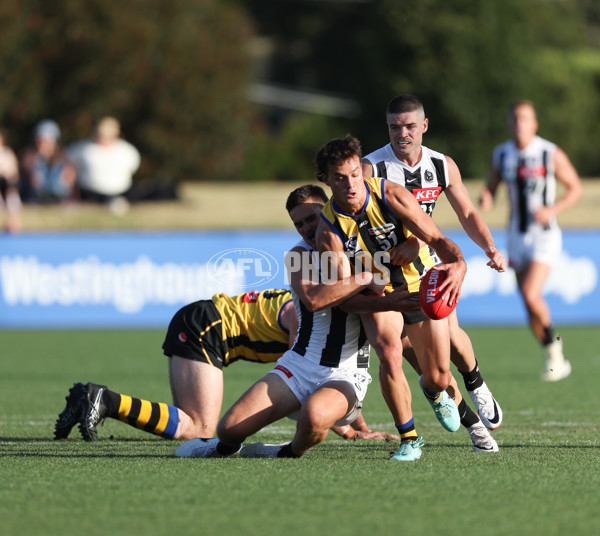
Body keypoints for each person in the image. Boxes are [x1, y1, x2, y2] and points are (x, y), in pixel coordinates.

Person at [175, 184, 420, 460]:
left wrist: (413, 245)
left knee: (314, 416)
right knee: (229, 429)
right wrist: (364, 278)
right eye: (298, 223)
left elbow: (418, 235)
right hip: (298, 366)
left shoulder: (360, 247)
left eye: (312, 218)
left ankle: (286, 452)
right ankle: (221, 447)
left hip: (346, 374)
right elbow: (315, 299)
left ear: (328, 211)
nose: (306, 228)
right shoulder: (298, 255)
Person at [312, 135, 494, 461]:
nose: (351, 184)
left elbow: (437, 238)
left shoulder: (390, 193)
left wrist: (460, 262)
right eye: (340, 178)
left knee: (438, 376)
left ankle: (433, 390)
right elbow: (344, 300)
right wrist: (388, 302)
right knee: (389, 349)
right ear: (326, 180)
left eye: (355, 173)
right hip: (378, 296)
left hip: (420, 285)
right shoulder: (328, 231)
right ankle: (409, 438)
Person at [55, 288, 396, 442]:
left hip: (204, 321)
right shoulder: (304, 314)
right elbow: (309, 383)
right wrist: (348, 428)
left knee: (198, 426)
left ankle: (93, 398)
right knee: (201, 430)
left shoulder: (317, 312)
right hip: (205, 328)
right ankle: (104, 400)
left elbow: (329, 375)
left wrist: (357, 427)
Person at [362, 94, 504, 447]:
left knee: (452, 340)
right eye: (395, 127)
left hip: (425, 269)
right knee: (396, 351)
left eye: (410, 126)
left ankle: (475, 381)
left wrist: (489, 247)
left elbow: (467, 213)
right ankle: (464, 428)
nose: (402, 134)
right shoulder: (370, 169)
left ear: (424, 126)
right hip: (381, 275)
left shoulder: (442, 165)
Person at [480, 100, 582, 381]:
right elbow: (492, 184)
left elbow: (574, 188)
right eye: (514, 118)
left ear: (534, 123)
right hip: (516, 234)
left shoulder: (549, 153)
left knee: (530, 293)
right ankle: (552, 353)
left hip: (544, 235)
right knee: (527, 306)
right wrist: (487, 196)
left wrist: (552, 209)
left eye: (525, 119)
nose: (519, 124)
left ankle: (555, 349)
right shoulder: (501, 154)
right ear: (509, 123)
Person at [67, 116, 140, 215]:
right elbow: (67, 164)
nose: (104, 138)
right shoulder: (83, 150)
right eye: (102, 134)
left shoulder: (127, 151)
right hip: (90, 194)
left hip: (121, 193)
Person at [20, 119, 76, 203]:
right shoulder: (31, 157)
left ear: (54, 141)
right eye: (39, 142)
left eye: (45, 142)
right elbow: (32, 180)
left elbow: (70, 180)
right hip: (36, 198)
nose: (41, 145)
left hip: (60, 198)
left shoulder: (64, 158)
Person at [0, 127, 22, 233]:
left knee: (11, 194)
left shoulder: (7, 153)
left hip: (8, 183)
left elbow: (14, 172)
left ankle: (12, 221)